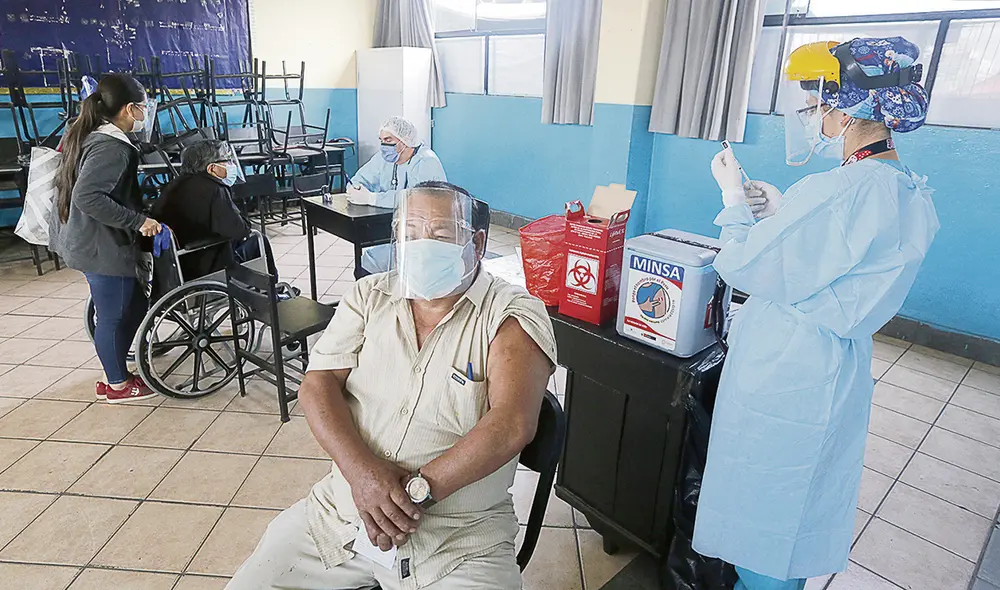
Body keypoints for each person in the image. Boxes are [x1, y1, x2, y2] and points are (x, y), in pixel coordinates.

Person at [693, 37, 940, 590]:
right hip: (837, 364)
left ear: (843, 104)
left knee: (766, 500)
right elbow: (842, 262)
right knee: (801, 503)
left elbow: (743, 266)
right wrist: (784, 213)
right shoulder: (904, 188)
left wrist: (733, 200)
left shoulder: (838, 191)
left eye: (815, 100)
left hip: (787, 366)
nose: (811, 113)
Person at [227, 181, 556, 590]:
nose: (421, 245)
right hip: (343, 514)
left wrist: (411, 495)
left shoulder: (510, 314)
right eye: (410, 233)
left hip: (457, 539)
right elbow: (318, 384)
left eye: (438, 234)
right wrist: (363, 476)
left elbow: (511, 423)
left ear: (478, 242)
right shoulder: (369, 296)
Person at [49, 73, 161, 404]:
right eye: (142, 108)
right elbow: (89, 197)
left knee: (134, 304)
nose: (144, 114)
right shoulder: (112, 147)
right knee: (114, 313)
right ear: (129, 109)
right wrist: (138, 221)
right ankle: (117, 384)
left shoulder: (89, 134)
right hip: (101, 245)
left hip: (84, 239)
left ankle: (113, 369)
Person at [347, 116, 447, 274]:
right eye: (381, 140)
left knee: (403, 271)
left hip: (425, 234)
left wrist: (372, 198)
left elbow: (415, 199)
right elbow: (360, 179)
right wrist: (356, 189)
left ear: (404, 140)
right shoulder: (383, 158)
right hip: (395, 228)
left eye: (388, 139)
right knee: (364, 268)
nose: (383, 145)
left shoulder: (425, 162)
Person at [151, 139, 252, 279]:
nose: (231, 165)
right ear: (211, 168)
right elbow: (239, 230)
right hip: (203, 261)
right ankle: (270, 291)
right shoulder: (214, 189)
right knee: (258, 240)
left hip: (176, 262)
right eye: (227, 161)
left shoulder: (175, 184)